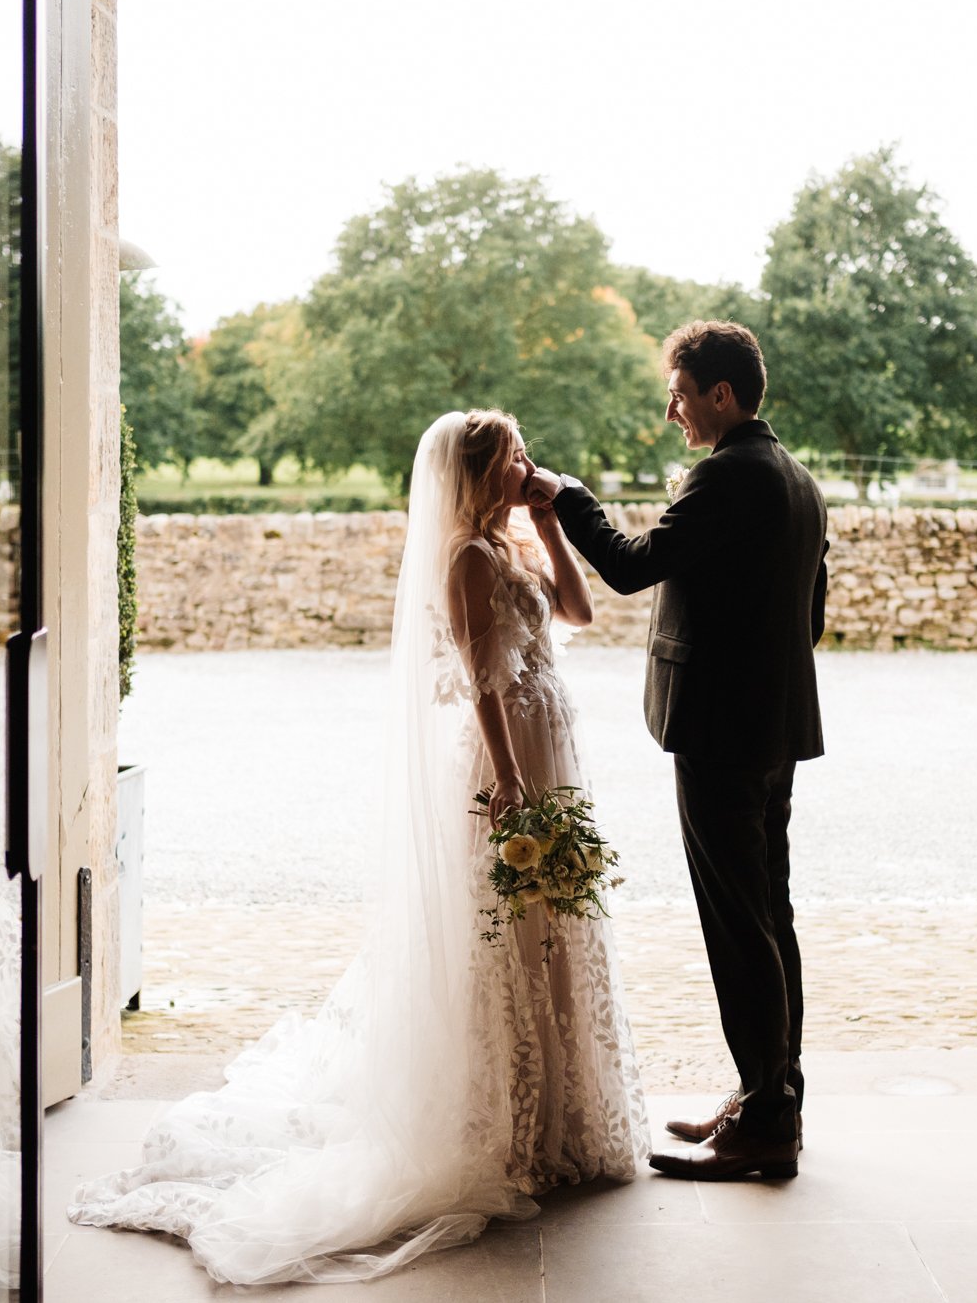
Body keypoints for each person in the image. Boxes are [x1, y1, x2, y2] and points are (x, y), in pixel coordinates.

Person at [67, 409, 651, 1285]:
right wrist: (512, 784)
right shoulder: (464, 557)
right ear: (477, 471)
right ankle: (514, 1120)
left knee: (556, 926)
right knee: (502, 927)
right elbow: (485, 682)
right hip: (510, 759)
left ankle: (568, 1111)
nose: (528, 464)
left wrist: (548, 522)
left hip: (552, 743)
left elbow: (579, 611)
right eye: (513, 458)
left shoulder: (517, 543)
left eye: (529, 451)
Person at [526, 320, 826, 1182]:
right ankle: (771, 1091)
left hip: (722, 733)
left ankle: (766, 1123)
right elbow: (810, 616)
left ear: (720, 396)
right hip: (774, 730)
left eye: (680, 394)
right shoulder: (797, 480)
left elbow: (627, 566)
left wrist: (566, 493)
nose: (672, 411)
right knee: (770, 915)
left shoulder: (728, 476)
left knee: (740, 926)